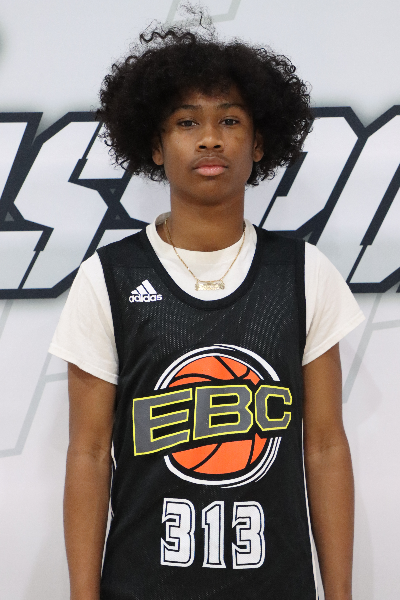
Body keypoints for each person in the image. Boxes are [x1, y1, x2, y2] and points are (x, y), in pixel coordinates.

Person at [49, 14, 364, 600]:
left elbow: (324, 446)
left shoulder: (303, 273)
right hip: (143, 585)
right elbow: (89, 454)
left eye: (230, 120)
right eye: (187, 121)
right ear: (155, 144)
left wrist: (341, 594)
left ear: (259, 142)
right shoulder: (108, 278)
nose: (210, 139)